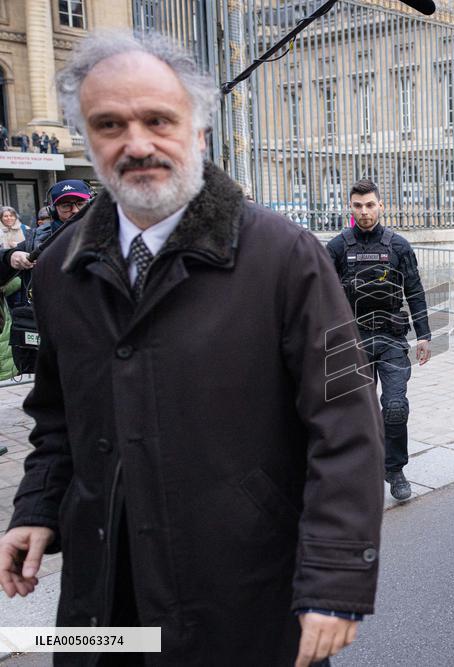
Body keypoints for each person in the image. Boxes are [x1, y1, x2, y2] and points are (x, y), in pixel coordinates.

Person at [0, 32, 384, 666]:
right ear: (88, 140)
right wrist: (38, 505)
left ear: (199, 133)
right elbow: (58, 417)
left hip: (246, 596)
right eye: (109, 124)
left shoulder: (288, 258)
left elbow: (347, 425)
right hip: (105, 601)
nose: (137, 143)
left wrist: (336, 581)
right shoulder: (59, 267)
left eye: (158, 119)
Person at [326, 178, 432, 502]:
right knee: (357, 412)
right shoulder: (337, 247)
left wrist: (424, 335)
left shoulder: (398, 246)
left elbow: (414, 290)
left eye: (370, 204)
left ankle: (395, 469)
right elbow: (323, 297)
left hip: (391, 338)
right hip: (352, 340)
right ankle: (359, 471)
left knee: (396, 407)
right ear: (350, 207)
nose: (364, 211)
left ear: (381, 205)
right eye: (358, 205)